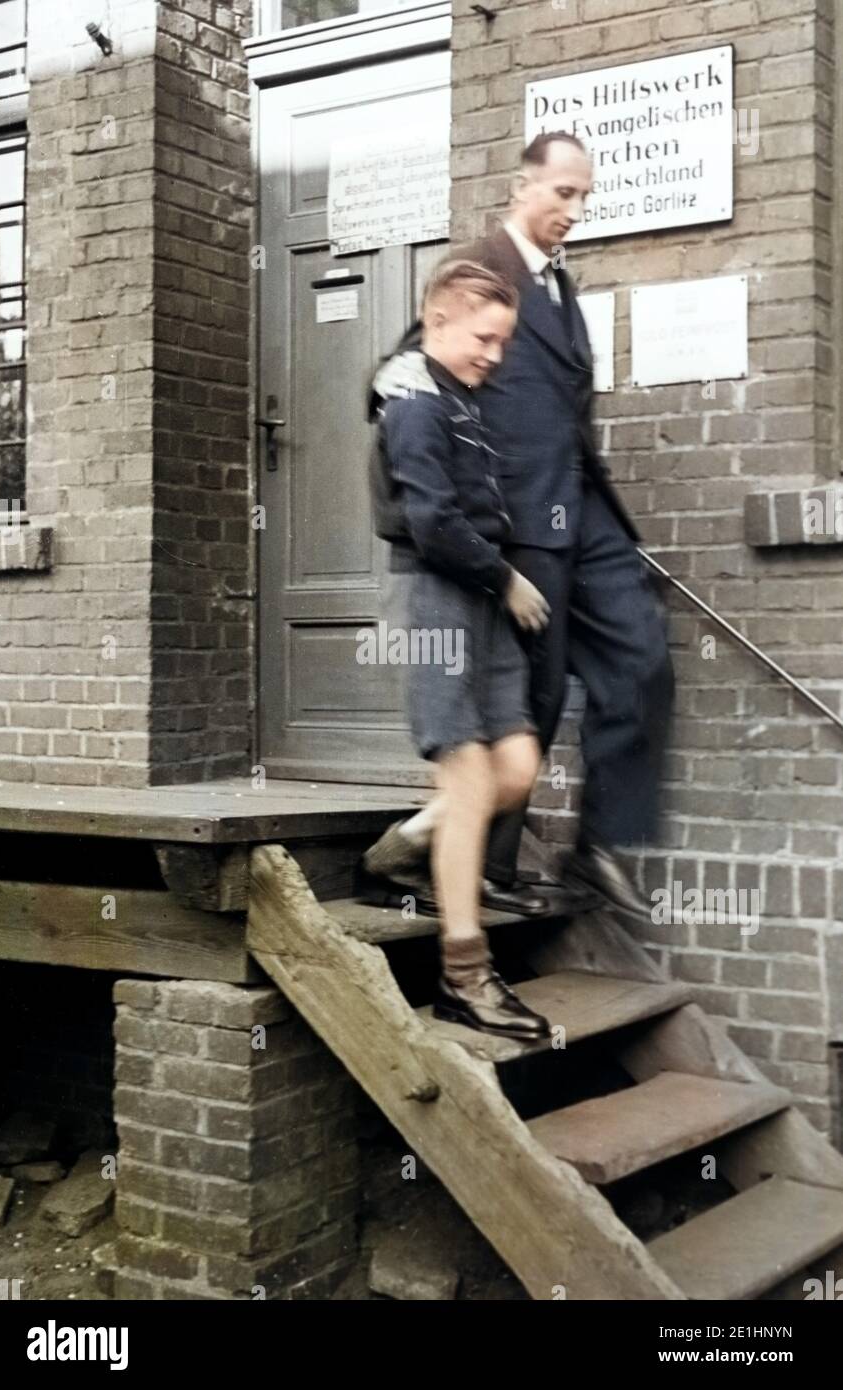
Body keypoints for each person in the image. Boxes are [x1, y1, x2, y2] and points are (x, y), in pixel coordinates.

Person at [365, 131, 675, 930]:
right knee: (530, 696)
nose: (574, 210)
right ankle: (477, 863)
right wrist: (394, 396)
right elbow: (407, 365)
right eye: (561, 193)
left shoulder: (563, 287)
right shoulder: (482, 268)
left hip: (583, 507)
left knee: (640, 653)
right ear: (521, 186)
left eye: (583, 197)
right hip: (520, 514)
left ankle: (598, 841)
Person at [364, 257, 552, 1041]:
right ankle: (465, 976)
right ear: (436, 322)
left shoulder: (460, 400)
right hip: (441, 593)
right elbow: (435, 524)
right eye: (484, 338)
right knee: (472, 779)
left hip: (483, 600)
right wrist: (505, 577)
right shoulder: (412, 405)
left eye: (504, 341)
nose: (494, 355)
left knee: (517, 770)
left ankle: (400, 849)